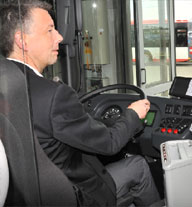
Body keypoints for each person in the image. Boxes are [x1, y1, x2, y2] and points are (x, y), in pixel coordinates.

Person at [0, 1, 160, 206]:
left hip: (27, 194)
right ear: (22, 41)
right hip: (74, 195)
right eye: (50, 30)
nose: (59, 37)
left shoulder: (8, 83)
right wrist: (132, 115)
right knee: (138, 165)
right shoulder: (53, 95)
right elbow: (110, 143)